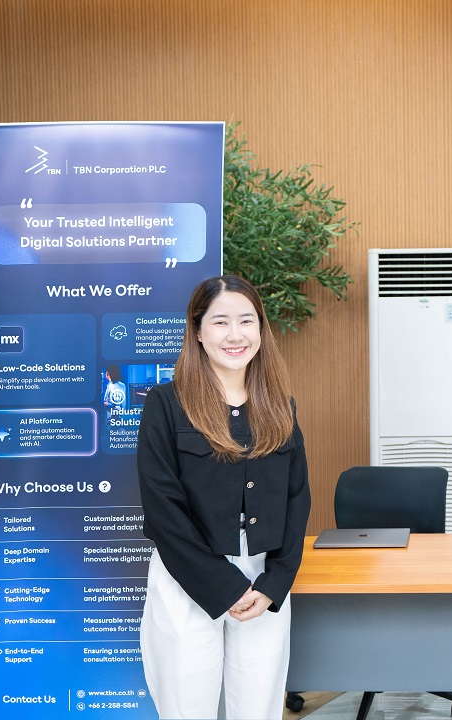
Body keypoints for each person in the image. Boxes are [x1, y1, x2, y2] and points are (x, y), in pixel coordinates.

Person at [136, 275, 311, 719]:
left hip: (262, 585)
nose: (236, 335)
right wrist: (223, 586)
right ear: (197, 331)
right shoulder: (166, 404)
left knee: (257, 708)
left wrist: (274, 584)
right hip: (187, 578)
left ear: (260, 329)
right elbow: (162, 509)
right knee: (187, 708)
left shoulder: (280, 405)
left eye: (246, 321)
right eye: (220, 322)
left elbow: (297, 498)